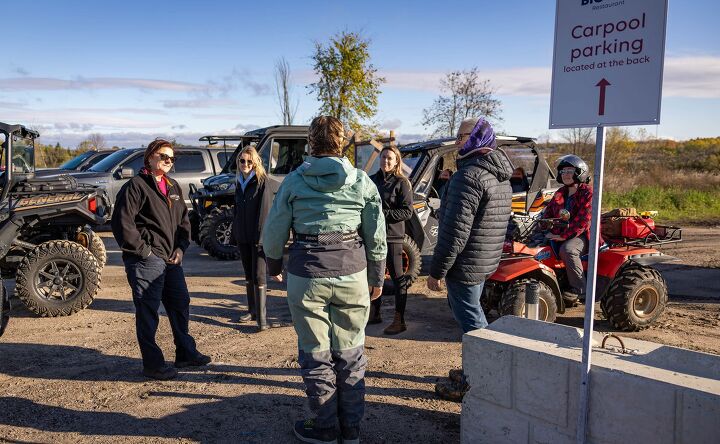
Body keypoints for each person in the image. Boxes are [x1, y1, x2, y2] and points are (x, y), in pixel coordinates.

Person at [262, 116, 386, 444]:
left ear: (310, 143)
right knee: (351, 350)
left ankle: (326, 428)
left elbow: (275, 228)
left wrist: (273, 261)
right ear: (342, 142)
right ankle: (352, 430)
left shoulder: (294, 181)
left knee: (315, 351)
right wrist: (377, 275)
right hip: (352, 272)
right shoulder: (361, 181)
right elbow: (376, 233)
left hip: (307, 274)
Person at [426, 117, 514, 401]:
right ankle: (474, 369)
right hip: (484, 260)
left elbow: (455, 234)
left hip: (466, 263)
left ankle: (481, 379)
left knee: (473, 324)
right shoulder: (497, 173)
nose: (457, 141)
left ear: (477, 137)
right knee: (473, 315)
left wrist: (437, 271)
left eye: (462, 136)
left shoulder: (470, 176)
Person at [111, 139, 210, 380]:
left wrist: (181, 248)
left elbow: (184, 223)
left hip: (171, 259)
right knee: (148, 312)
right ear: (150, 157)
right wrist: (145, 252)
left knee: (180, 303)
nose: (168, 161)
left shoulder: (173, 186)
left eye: (171, 158)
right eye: (163, 156)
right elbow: (122, 224)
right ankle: (153, 364)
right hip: (146, 260)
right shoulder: (136, 186)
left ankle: (185, 353)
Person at [369, 145, 414, 335]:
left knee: (397, 279)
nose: (385, 161)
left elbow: (407, 211)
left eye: (390, 158)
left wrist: (382, 213)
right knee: (373, 276)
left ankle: (399, 319)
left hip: (393, 237)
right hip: (373, 237)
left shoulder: (401, 183)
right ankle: (374, 313)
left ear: (396, 162)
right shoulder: (371, 181)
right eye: (383, 157)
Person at [542, 154, 597, 302]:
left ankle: (581, 290)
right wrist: (544, 227)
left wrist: (563, 236)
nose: (565, 174)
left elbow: (584, 221)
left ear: (579, 173)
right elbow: (548, 214)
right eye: (563, 171)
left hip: (584, 235)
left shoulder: (588, 193)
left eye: (570, 171)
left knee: (568, 250)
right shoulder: (560, 192)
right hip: (560, 232)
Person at [230, 146, 269, 331]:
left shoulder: (262, 182)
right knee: (248, 274)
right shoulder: (238, 182)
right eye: (242, 161)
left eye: (249, 161)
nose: (245, 164)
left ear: (255, 163)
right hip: (243, 236)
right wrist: (234, 234)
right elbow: (236, 211)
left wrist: (261, 238)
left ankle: (262, 318)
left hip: (257, 237)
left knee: (259, 275)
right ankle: (251, 311)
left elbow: (264, 212)